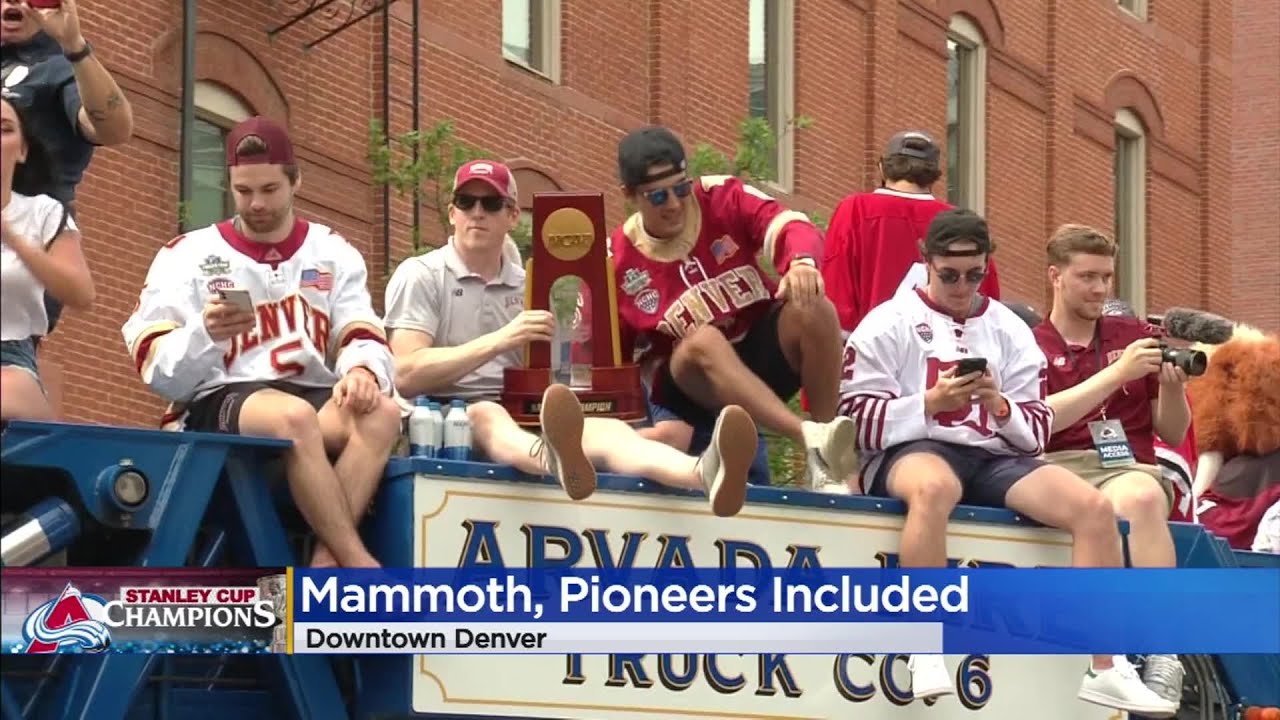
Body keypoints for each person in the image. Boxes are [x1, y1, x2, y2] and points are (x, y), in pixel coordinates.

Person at [839, 209, 1176, 717]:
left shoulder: (1007, 329)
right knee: (933, 489)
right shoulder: (888, 322)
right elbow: (855, 423)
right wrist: (929, 404)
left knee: (1092, 509)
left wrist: (999, 406)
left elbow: (1036, 431)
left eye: (974, 274)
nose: (961, 286)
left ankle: (1105, 668)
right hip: (912, 449)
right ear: (924, 262)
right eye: (949, 275)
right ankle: (925, 646)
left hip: (991, 455)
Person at [385, 160, 758, 516]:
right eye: (466, 202)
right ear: (452, 213)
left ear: (513, 216)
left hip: (526, 413)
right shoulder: (423, 274)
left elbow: (560, 369)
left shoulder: (530, 284)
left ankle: (703, 472)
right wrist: (501, 340)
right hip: (441, 418)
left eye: (492, 203)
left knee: (612, 431)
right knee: (488, 413)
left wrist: (583, 370)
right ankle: (555, 458)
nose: (477, 212)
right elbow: (406, 372)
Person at [121, 117, 399, 568]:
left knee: (381, 413)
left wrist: (363, 370)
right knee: (293, 418)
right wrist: (205, 333)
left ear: (296, 181)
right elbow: (159, 372)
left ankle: (326, 565)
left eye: (269, 190)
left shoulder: (332, 251)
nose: (256, 203)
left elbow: (362, 328)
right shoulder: (187, 255)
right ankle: (359, 564)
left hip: (308, 394)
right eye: (243, 190)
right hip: (219, 402)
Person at [606, 125, 856, 487]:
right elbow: (606, 361)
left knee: (814, 307)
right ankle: (809, 437)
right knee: (703, 339)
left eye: (680, 188)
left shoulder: (720, 195)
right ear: (630, 195)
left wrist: (801, 261)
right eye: (658, 197)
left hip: (756, 356)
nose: (676, 205)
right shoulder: (616, 261)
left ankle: (824, 456)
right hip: (689, 386)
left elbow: (789, 224)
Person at [1032, 225, 1189, 708]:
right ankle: (1107, 655)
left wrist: (1172, 387)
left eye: (1106, 278)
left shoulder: (1134, 334)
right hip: (1058, 463)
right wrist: (1116, 374)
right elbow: (1038, 421)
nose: (1100, 289)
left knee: (1139, 497)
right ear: (1056, 276)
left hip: (1128, 466)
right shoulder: (1029, 342)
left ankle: (1164, 649)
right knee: (1093, 505)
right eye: (1088, 278)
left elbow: (1175, 432)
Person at [822, 130, 1000, 339]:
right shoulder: (962, 224)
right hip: (947, 358)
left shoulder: (856, 209)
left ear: (882, 168)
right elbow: (987, 302)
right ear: (934, 175)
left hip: (873, 354)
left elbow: (836, 292)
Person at [1, 91, 92, 420]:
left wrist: (14, 239)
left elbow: (81, 293)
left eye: (5, 129)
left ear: (22, 150)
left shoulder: (43, 213)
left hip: (10, 358)